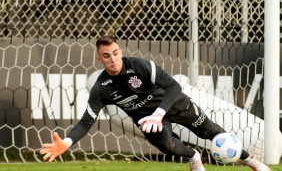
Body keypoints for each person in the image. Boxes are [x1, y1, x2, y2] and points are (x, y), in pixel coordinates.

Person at [40, 35, 272, 171]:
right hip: (148, 121)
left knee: (210, 131)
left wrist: (159, 112)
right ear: (99, 59)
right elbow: (86, 121)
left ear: (120, 52)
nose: (113, 59)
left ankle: (251, 161)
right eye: (107, 56)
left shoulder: (140, 65)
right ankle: (194, 157)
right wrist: (68, 142)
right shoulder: (101, 88)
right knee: (167, 146)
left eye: (116, 53)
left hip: (173, 103)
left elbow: (174, 86)